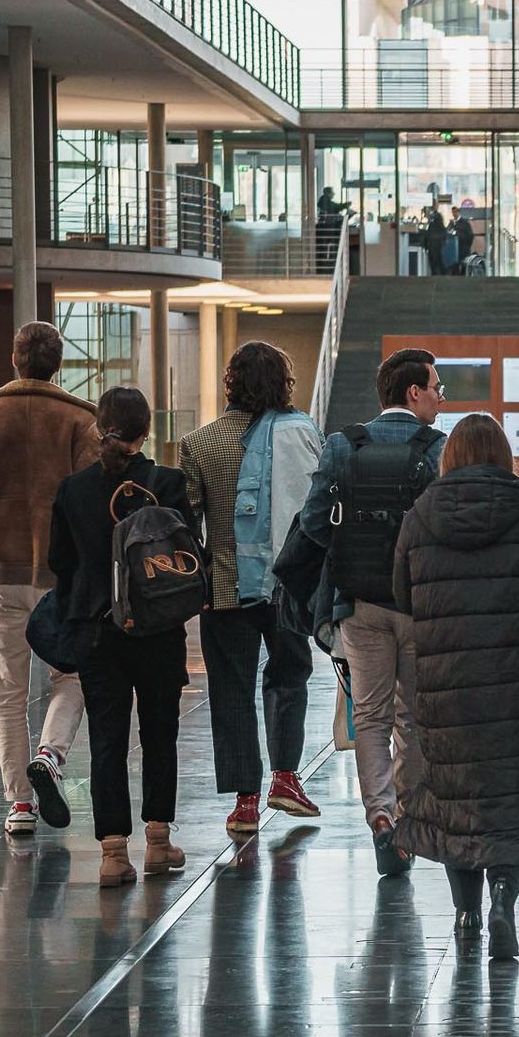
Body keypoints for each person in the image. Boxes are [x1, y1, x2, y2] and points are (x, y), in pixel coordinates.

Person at [392, 415, 519, 960]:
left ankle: (466, 913)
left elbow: (402, 595)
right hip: (515, 686)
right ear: (502, 454)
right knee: (508, 800)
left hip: (444, 688)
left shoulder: (420, 515)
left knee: (455, 800)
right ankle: (502, 899)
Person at [0, 321, 98, 836]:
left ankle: (20, 806)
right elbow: (91, 503)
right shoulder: (80, 419)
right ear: (58, 365)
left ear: (14, 359)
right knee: (71, 676)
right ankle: (50, 755)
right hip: (61, 574)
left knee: (7, 690)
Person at [300, 349, 447, 878]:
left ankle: (380, 818)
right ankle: (407, 823)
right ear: (413, 392)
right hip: (418, 604)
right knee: (413, 715)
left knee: (370, 714)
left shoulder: (343, 444)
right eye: (436, 385)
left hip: (357, 604)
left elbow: (315, 521)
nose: (441, 394)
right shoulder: (436, 448)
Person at [48, 387, 195, 887]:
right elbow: (187, 554)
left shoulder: (73, 491)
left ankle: (113, 853)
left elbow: (58, 563)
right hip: (158, 629)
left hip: (96, 629)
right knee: (160, 733)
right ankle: (157, 841)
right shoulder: (168, 485)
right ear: (146, 431)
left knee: (107, 739)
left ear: (98, 428)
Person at [179, 341, 325, 835]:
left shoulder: (199, 442)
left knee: (232, 691)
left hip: (222, 589)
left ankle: (245, 802)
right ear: (282, 383)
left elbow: (187, 523)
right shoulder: (301, 432)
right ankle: (285, 776)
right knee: (289, 676)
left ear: (231, 383)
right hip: (286, 584)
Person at [424, 206, 448, 277]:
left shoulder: (432, 225)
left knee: (433, 262)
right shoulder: (441, 226)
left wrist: (425, 246)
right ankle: (443, 273)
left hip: (432, 245)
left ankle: (434, 274)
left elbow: (427, 236)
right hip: (438, 245)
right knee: (439, 260)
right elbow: (444, 235)